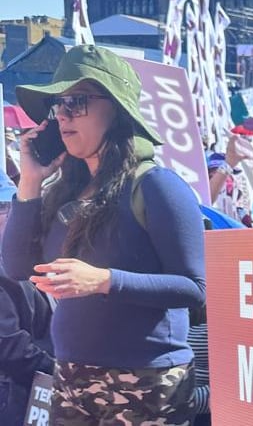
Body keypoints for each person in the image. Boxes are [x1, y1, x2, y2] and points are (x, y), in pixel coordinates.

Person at [1, 45, 205, 425]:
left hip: (146, 383)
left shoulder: (157, 186)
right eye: (57, 105)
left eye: (76, 102)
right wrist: (29, 181)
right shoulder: (62, 191)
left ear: (117, 109)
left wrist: (103, 281)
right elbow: (16, 266)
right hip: (71, 379)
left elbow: (193, 289)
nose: (62, 115)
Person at [0, 170, 54, 426]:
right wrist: (60, 369)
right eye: (5, 207)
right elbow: (10, 347)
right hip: (13, 397)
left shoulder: (18, 260)